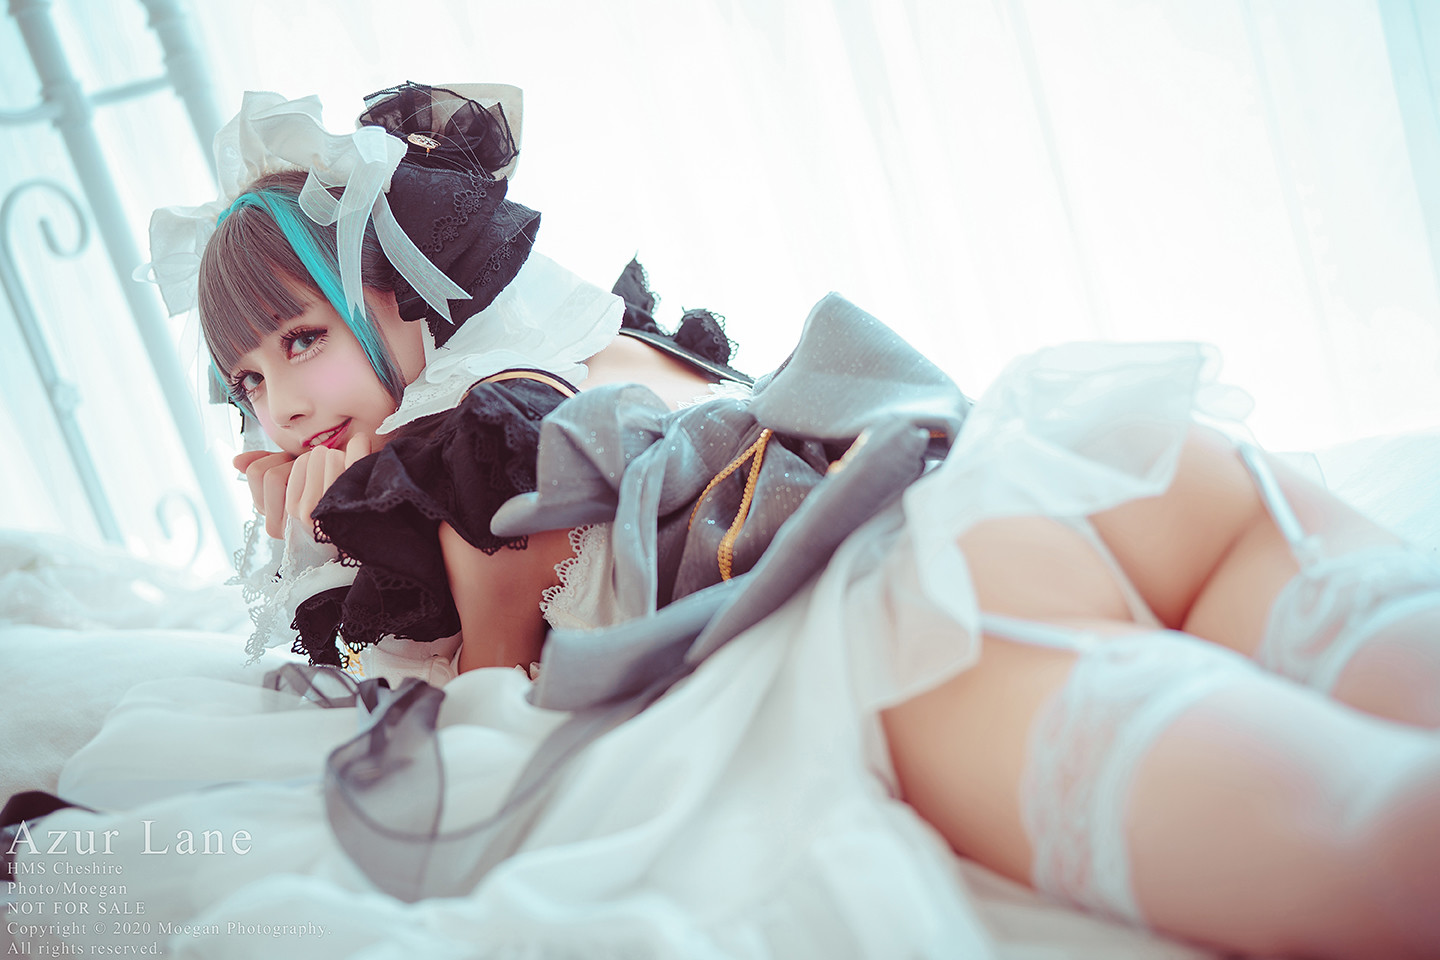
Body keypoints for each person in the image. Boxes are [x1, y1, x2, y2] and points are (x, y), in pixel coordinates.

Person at [7, 82, 1440, 960]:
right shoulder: (599, 348)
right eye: (247, 384)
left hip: (908, 621)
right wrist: (320, 547)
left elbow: (491, 756)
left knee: (1384, 849)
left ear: (402, 296)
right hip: (1076, 466)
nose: (280, 408)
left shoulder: (472, 455)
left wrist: (344, 556)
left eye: (302, 342)